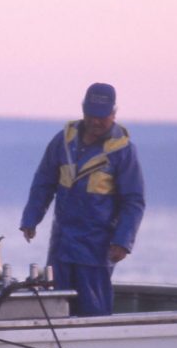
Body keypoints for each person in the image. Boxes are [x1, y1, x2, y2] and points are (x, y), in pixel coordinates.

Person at [19, 83, 145, 316]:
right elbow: (43, 182)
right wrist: (30, 218)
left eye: (102, 117)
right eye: (91, 115)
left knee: (94, 310)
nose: (96, 122)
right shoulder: (63, 141)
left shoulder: (123, 151)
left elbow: (133, 201)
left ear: (114, 113)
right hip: (62, 244)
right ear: (83, 110)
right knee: (56, 306)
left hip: (97, 248)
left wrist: (123, 241)